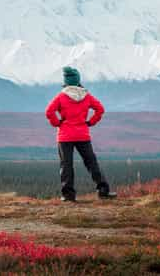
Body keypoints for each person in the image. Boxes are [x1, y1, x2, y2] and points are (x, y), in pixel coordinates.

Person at [45, 67, 117, 202]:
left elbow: (49, 112)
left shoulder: (61, 97)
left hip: (65, 136)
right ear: (78, 81)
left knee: (66, 165)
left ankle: (68, 195)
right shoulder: (86, 96)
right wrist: (90, 122)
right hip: (82, 135)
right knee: (91, 163)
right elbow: (100, 109)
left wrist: (58, 123)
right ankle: (103, 191)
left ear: (65, 81)